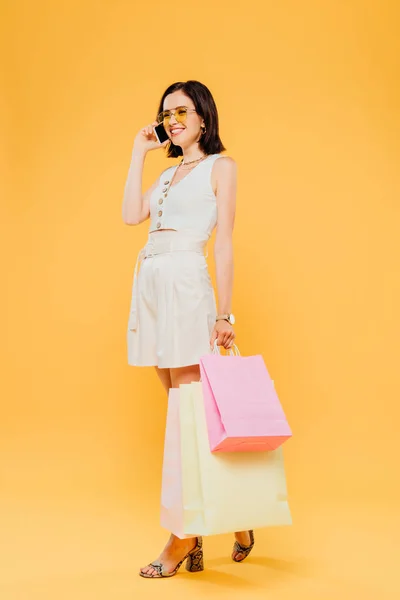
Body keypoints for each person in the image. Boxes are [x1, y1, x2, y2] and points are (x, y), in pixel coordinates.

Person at [122, 80, 255, 578]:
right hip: (151, 286)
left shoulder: (222, 167)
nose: (173, 120)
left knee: (189, 417)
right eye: (165, 114)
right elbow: (131, 215)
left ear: (203, 116)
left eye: (182, 111)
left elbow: (223, 242)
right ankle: (234, 515)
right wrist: (139, 151)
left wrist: (225, 312)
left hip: (184, 284)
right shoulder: (168, 175)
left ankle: (182, 537)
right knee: (189, 417)